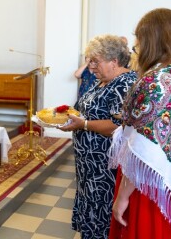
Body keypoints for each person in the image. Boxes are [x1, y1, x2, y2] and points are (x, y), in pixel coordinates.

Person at [108, 8, 171, 239]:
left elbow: (142, 149)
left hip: (152, 188)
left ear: (152, 41)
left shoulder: (158, 80)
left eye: (138, 44)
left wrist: (123, 196)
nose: (137, 51)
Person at [59, 35, 137, 239]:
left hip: (105, 166)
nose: (90, 67)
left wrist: (83, 124)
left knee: (102, 213)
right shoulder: (102, 80)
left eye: (95, 61)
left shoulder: (124, 83)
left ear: (115, 61)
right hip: (89, 166)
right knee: (91, 210)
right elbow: (88, 109)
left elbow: (120, 126)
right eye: (89, 60)